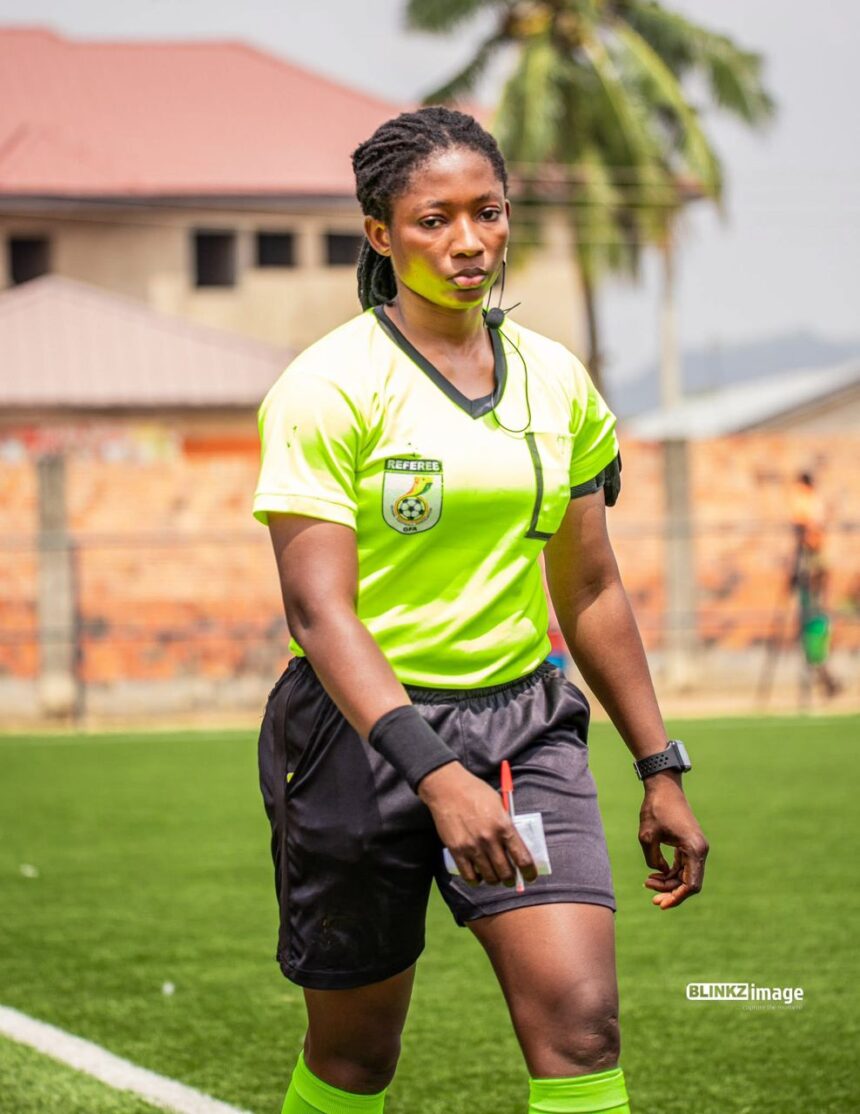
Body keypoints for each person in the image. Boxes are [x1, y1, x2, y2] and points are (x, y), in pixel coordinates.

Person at [254, 107, 708, 1114]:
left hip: (519, 730)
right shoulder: (326, 387)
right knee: (354, 1056)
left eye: (486, 213)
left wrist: (656, 764)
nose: (467, 242)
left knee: (579, 1024)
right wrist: (434, 775)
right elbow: (318, 610)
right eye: (433, 220)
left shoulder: (557, 380)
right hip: (357, 740)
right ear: (380, 233)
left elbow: (587, 585)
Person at [788, 471, 841, 698]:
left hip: (817, 617)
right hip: (813, 610)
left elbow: (822, 575)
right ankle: (826, 681)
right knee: (810, 643)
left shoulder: (817, 557)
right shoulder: (811, 559)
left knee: (815, 642)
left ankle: (827, 681)